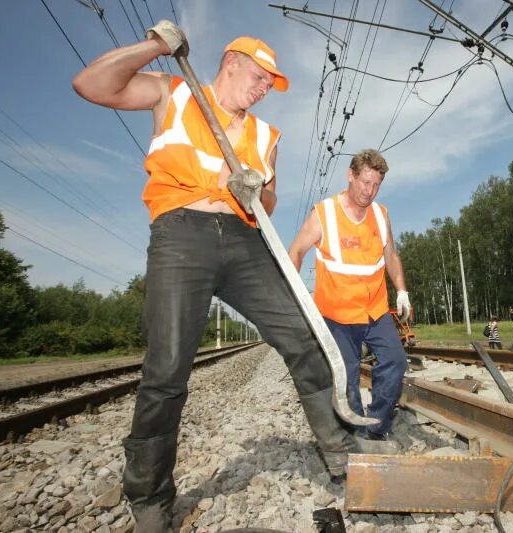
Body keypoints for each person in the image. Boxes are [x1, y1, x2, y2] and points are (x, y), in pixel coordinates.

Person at [73, 21, 356, 530]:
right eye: (262, 75)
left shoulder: (266, 135)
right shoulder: (174, 92)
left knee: (304, 338)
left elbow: (268, 201)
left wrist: (255, 187)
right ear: (231, 63)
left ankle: (341, 455)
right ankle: (150, 498)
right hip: (182, 234)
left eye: (273, 82)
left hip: (247, 243)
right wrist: (157, 48)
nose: (267, 87)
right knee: (167, 369)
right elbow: (91, 86)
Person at [288, 149, 410, 449]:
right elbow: (297, 251)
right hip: (337, 313)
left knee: (395, 360)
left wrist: (402, 289)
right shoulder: (325, 213)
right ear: (350, 176)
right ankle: (354, 439)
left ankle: (377, 428)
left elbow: (390, 254)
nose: (369, 191)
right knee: (346, 376)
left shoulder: (380, 215)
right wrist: (294, 296)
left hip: (374, 309)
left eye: (376, 185)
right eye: (365, 182)